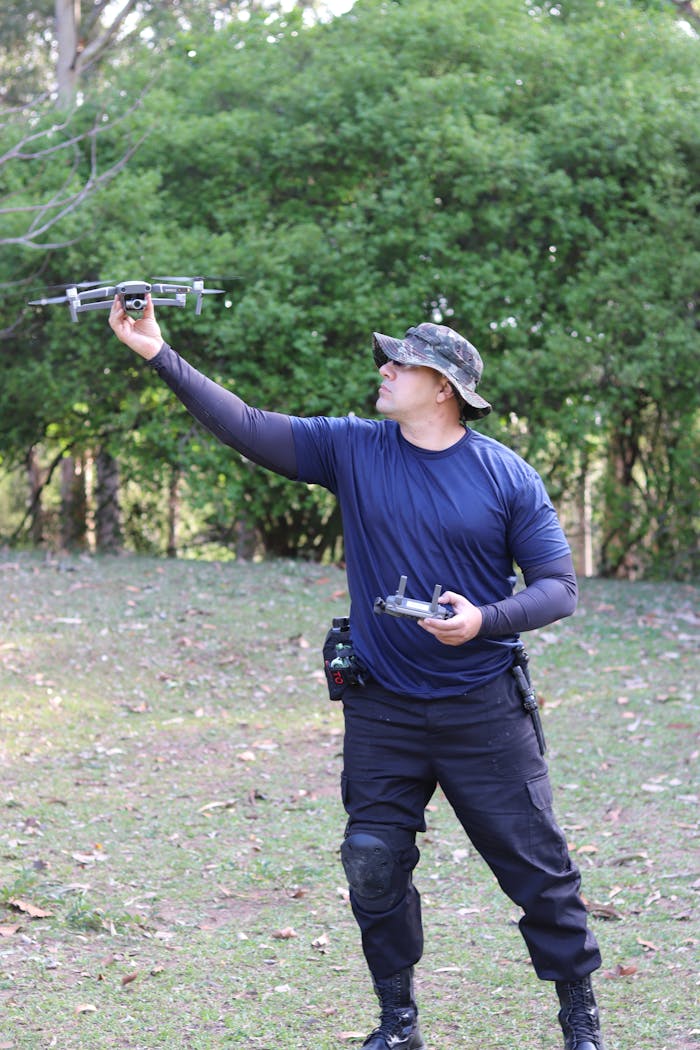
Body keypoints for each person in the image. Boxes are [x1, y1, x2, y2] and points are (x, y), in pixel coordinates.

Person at [109, 295, 606, 1050]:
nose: (385, 368)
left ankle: (580, 1019)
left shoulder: (506, 475)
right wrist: (157, 352)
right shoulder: (353, 449)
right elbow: (245, 424)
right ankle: (398, 1021)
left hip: (483, 710)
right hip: (383, 709)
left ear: (442, 385)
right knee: (372, 865)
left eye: (400, 362)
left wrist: (482, 618)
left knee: (539, 874)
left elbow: (558, 588)